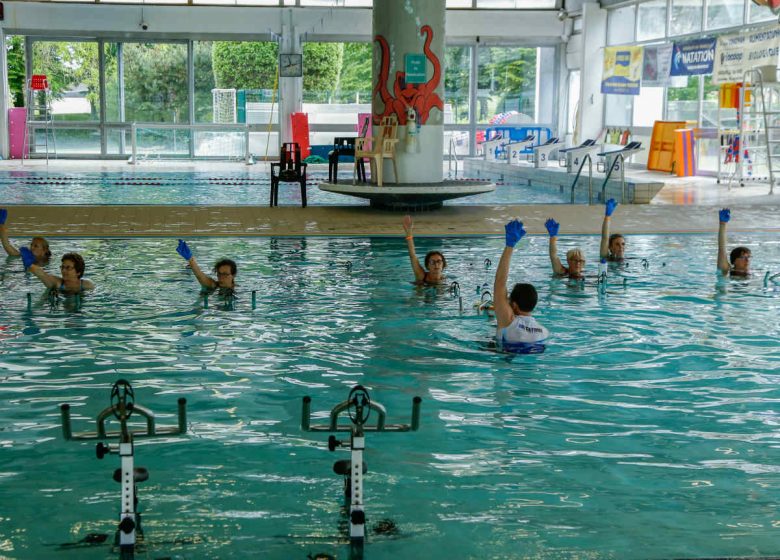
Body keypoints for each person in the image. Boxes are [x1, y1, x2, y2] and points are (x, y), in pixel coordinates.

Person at [493, 219, 548, 354]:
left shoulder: (509, 323)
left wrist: (509, 246)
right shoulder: (544, 332)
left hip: (505, 363)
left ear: (514, 305)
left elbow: (500, 283)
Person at [19, 248, 94, 294]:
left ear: (78, 272)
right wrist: (29, 264)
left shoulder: (87, 285)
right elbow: (42, 274)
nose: (63, 270)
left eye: (68, 268)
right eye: (62, 267)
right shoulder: (57, 283)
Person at [402, 215, 446, 285]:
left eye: (439, 261)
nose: (436, 264)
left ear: (443, 265)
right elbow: (412, 256)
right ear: (427, 266)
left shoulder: (445, 280)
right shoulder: (422, 276)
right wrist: (409, 232)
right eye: (432, 262)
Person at [717, 208, 750, 277]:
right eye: (743, 257)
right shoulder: (726, 270)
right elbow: (722, 250)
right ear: (734, 261)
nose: (747, 261)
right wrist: (723, 224)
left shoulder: (754, 272)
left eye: (748, 257)